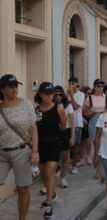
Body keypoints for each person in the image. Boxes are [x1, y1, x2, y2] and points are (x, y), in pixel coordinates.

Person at [0, 74, 39, 220]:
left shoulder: (26, 104)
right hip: (1, 153)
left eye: (16, 85)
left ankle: (21, 219)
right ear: (2, 89)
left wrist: (35, 151)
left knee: (23, 188)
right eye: (11, 86)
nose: (15, 89)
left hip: (21, 151)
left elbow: (33, 128)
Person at [35, 82, 67, 219]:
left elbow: (63, 127)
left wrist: (56, 134)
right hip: (40, 144)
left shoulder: (58, 108)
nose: (50, 96)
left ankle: (48, 204)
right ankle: (51, 193)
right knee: (43, 174)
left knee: (50, 172)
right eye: (47, 93)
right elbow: (33, 129)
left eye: (51, 93)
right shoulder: (36, 110)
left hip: (54, 143)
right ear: (41, 94)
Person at [54, 86, 75, 189]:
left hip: (65, 132)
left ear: (63, 95)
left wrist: (72, 136)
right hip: (54, 132)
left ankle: (63, 178)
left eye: (60, 94)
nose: (58, 96)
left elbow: (72, 122)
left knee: (65, 157)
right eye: (56, 94)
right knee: (52, 157)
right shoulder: (50, 106)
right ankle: (49, 181)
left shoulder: (68, 106)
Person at [83, 79, 106, 169]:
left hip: (103, 119)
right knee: (96, 143)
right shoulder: (90, 98)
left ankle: (100, 164)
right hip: (93, 119)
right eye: (98, 86)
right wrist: (90, 112)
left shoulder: (106, 97)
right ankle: (97, 167)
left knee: (101, 143)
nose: (100, 88)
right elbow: (84, 112)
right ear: (95, 87)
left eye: (102, 86)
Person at [67, 77, 85, 175]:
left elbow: (75, 106)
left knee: (76, 145)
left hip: (77, 123)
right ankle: (67, 164)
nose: (70, 85)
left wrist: (71, 95)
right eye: (69, 83)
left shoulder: (81, 95)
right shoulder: (67, 94)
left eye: (72, 83)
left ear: (77, 84)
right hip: (67, 123)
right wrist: (67, 94)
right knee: (67, 146)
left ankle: (74, 165)